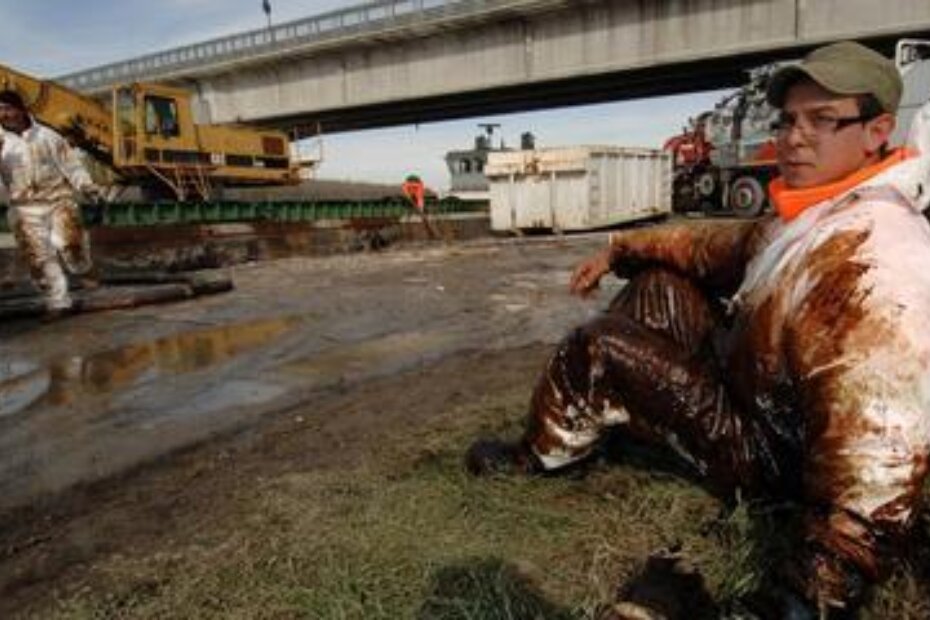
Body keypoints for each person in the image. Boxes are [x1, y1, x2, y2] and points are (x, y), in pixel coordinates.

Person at [466, 41, 930, 617]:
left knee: (599, 344)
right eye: (787, 120)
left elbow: (879, 458)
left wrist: (801, 599)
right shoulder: (823, 211)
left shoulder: (875, 261)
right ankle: (611, 417)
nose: (793, 137)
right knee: (662, 285)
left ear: (877, 130)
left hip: (772, 457)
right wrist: (620, 249)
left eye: (822, 120)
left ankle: (541, 455)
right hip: (757, 384)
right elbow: (714, 247)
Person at [0, 89, 107, 317]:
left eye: (8, 108)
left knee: (69, 245)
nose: (4, 114)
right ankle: (58, 303)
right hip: (23, 207)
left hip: (59, 200)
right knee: (39, 257)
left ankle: (84, 268)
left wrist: (87, 187)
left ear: (21, 109)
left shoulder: (48, 137)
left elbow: (71, 166)